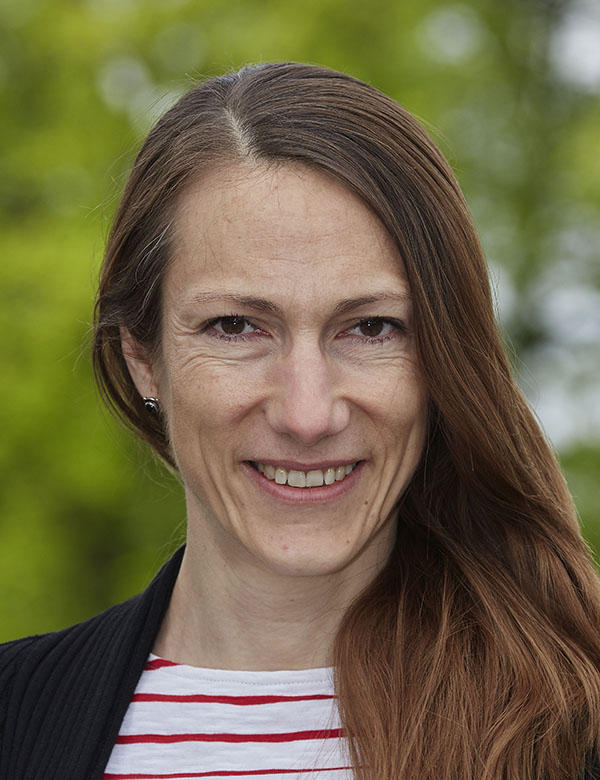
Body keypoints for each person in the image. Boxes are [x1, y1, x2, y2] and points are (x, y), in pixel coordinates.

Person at [1, 62, 599, 780]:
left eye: (371, 327)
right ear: (143, 357)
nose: (307, 414)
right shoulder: (14, 717)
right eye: (235, 326)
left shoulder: (575, 727)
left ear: (443, 357)